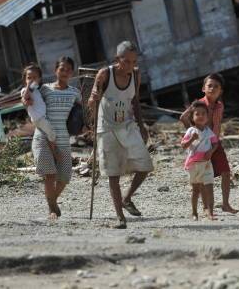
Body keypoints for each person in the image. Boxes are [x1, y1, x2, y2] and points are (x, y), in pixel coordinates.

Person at [88, 41, 153, 229]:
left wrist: (142, 126)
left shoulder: (135, 74)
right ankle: (120, 217)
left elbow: (135, 101)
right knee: (113, 174)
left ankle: (127, 197)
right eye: (126, 61)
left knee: (145, 165)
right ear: (118, 59)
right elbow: (93, 98)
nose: (130, 66)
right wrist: (93, 100)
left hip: (127, 125)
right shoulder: (105, 74)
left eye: (134, 61)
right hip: (106, 127)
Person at [23, 57, 81, 221]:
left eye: (68, 69)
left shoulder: (74, 92)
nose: (65, 72)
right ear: (56, 70)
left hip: (62, 136)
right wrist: (25, 99)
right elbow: (28, 99)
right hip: (42, 135)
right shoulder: (45, 89)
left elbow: (85, 110)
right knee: (49, 174)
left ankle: (53, 201)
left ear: (72, 72)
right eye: (62, 69)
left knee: (64, 176)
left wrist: (86, 123)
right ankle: (52, 209)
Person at [180, 73, 238, 214]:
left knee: (225, 171)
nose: (212, 88)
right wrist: (194, 132)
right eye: (209, 86)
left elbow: (217, 123)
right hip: (201, 146)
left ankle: (225, 204)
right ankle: (205, 207)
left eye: (216, 86)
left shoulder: (220, 106)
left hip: (215, 143)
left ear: (220, 91)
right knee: (202, 176)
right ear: (203, 88)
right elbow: (183, 117)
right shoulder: (199, 104)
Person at [181, 100, 218, 221]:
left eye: (203, 114)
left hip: (206, 163)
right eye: (197, 114)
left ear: (207, 117)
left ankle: (210, 212)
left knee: (209, 187)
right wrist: (191, 139)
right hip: (194, 164)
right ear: (192, 117)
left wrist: (211, 152)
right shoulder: (190, 131)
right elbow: (183, 145)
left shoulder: (209, 131)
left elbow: (215, 144)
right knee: (196, 190)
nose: (201, 116)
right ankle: (194, 213)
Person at [21, 64, 61, 162]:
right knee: (52, 133)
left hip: (42, 117)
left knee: (50, 133)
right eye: (29, 78)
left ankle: (53, 151)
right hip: (38, 118)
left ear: (39, 79)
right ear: (25, 80)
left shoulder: (37, 91)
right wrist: (28, 88)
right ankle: (55, 153)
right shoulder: (25, 90)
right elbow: (26, 98)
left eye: (34, 78)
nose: (31, 80)